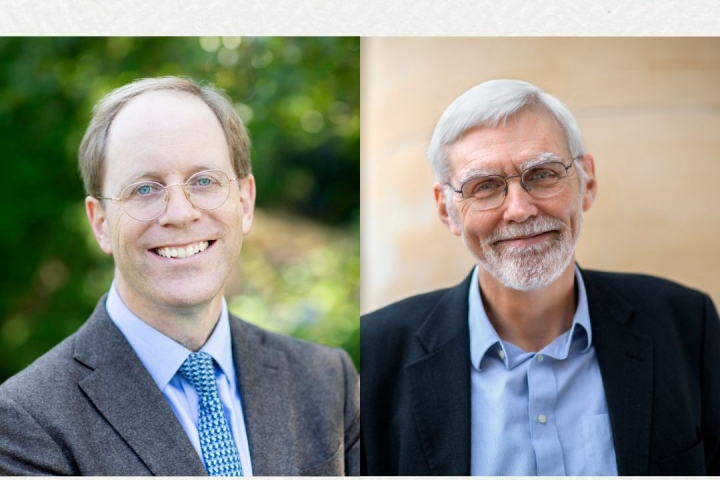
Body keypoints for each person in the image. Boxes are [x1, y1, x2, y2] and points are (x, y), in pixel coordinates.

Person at [0, 76, 359, 476]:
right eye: (144, 189)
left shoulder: (329, 382)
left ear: (244, 202)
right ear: (100, 222)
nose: (180, 213)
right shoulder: (24, 422)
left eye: (204, 181)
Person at [360, 79, 720, 476]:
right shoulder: (376, 353)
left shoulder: (687, 323)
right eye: (484, 187)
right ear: (447, 211)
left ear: (588, 182)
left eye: (543, 174)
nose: (519, 209)